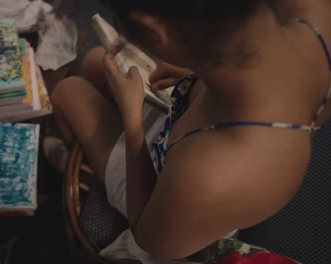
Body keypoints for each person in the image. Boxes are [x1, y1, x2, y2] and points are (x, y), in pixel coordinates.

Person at [47, 0, 331, 263]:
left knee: (67, 91)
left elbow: (148, 237)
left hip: (172, 199)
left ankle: (71, 162)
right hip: (195, 127)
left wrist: (132, 120)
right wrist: (195, 71)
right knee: (97, 59)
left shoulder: (207, 178)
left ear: (155, 30)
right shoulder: (314, 14)